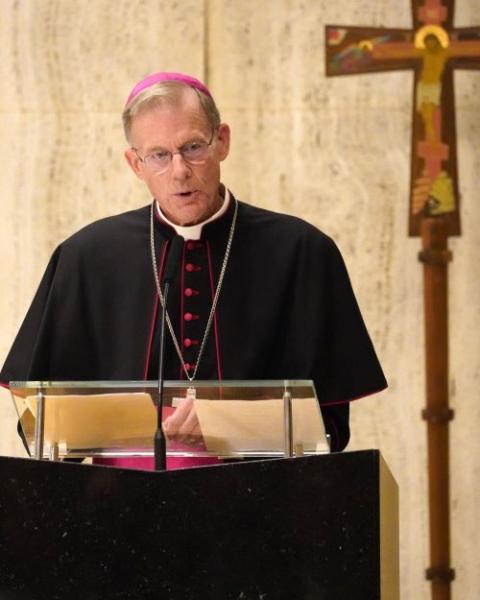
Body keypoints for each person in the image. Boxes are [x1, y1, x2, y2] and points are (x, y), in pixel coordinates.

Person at [0, 71, 387, 466]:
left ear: (222, 142)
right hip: (118, 507)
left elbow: (329, 427)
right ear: (136, 164)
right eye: (159, 155)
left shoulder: (302, 253)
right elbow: (43, 428)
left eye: (193, 147)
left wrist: (226, 421)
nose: (180, 170)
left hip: (261, 507)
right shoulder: (86, 257)